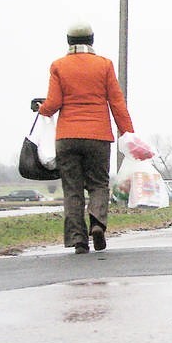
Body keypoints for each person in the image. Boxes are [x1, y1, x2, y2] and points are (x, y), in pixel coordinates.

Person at [38, 21, 135, 254]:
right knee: (99, 184)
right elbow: (117, 103)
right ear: (91, 41)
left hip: (67, 138)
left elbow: (53, 103)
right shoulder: (104, 65)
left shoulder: (59, 66)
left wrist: (42, 109)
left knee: (72, 189)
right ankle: (98, 224)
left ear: (69, 41)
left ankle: (78, 240)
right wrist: (128, 134)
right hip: (98, 137)